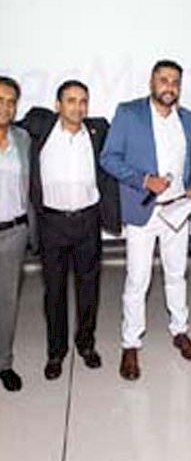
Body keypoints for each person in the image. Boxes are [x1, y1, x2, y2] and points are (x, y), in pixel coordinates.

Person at [101, 60, 191, 381]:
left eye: (175, 82)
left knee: (177, 274)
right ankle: (131, 343)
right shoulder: (129, 113)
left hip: (177, 211)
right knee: (137, 279)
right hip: (144, 210)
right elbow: (109, 158)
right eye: (163, 80)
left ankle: (180, 330)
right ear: (152, 82)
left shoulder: (189, 120)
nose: (169, 86)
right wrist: (144, 180)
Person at [20, 80, 121, 380]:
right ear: (57, 105)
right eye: (71, 100)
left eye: (83, 101)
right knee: (54, 292)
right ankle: (55, 352)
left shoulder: (98, 130)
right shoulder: (40, 126)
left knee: (88, 288)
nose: (78, 107)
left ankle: (86, 344)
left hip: (87, 222)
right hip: (52, 224)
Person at [0, 77, 30, 391]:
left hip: (13, 233)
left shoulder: (23, 139)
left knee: (6, 303)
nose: (5, 107)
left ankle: (4, 363)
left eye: (11, 102)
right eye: (0, 100)